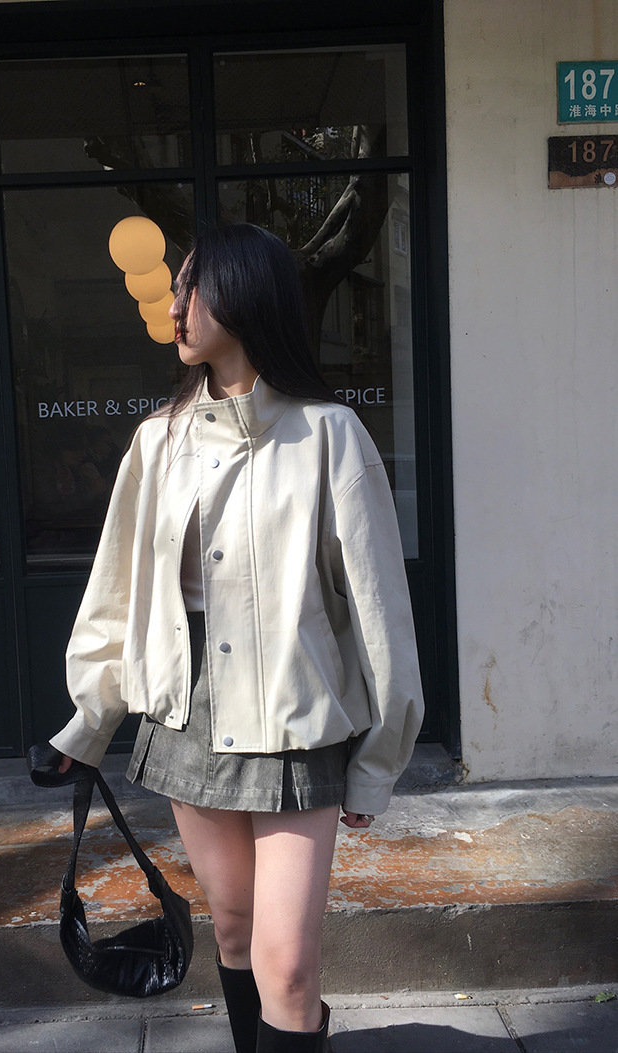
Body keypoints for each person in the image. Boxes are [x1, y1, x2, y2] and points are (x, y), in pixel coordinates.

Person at [49, 223, 424, 1052]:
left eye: (192, 287)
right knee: (233, 928)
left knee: (286, 965)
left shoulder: (328, 434)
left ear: (248, 294)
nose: (174, 306)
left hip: (295, 717)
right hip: (186, 712)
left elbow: (379, 609)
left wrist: (377, 760)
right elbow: (116, 592)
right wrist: (89, 720)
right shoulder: (158, 441)